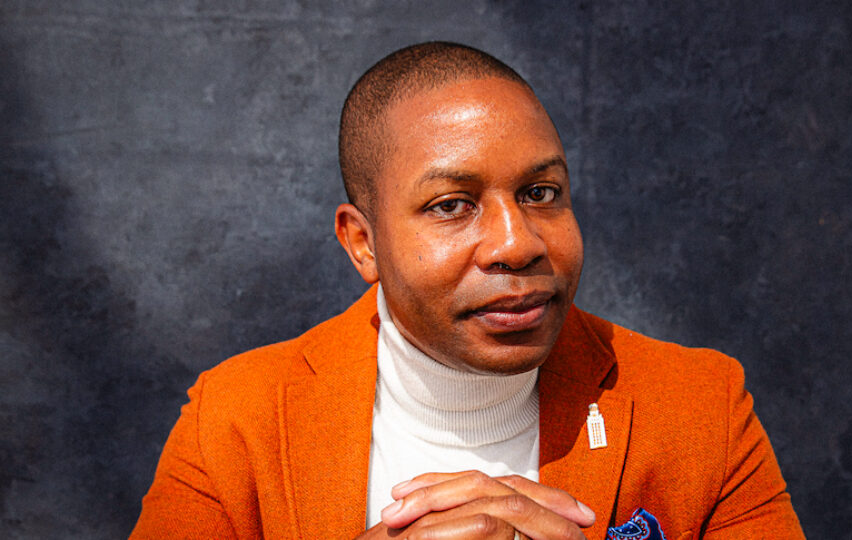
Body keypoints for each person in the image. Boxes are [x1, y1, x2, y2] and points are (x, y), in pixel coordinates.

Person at [132, 42, 804, 539]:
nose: (518, 243)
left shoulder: (699, 407)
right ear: (362, 243)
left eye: (542, 193)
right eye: (452, 205)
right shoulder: (236, 420)